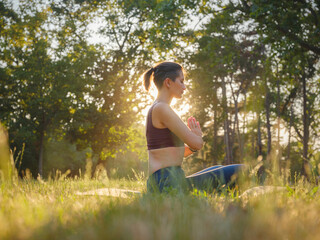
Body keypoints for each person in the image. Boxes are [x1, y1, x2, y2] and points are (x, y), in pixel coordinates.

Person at [143, 62, 243, 193]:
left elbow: (177, 152)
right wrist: (197, 136)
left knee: (218, 167)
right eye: (181, 81)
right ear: (168, 82)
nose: (184, 87)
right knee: (242, 170)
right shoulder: (162, 108)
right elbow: (197, 144)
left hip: (164, 181)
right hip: (167, 183)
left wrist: (192, 146)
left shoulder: (156, 108)